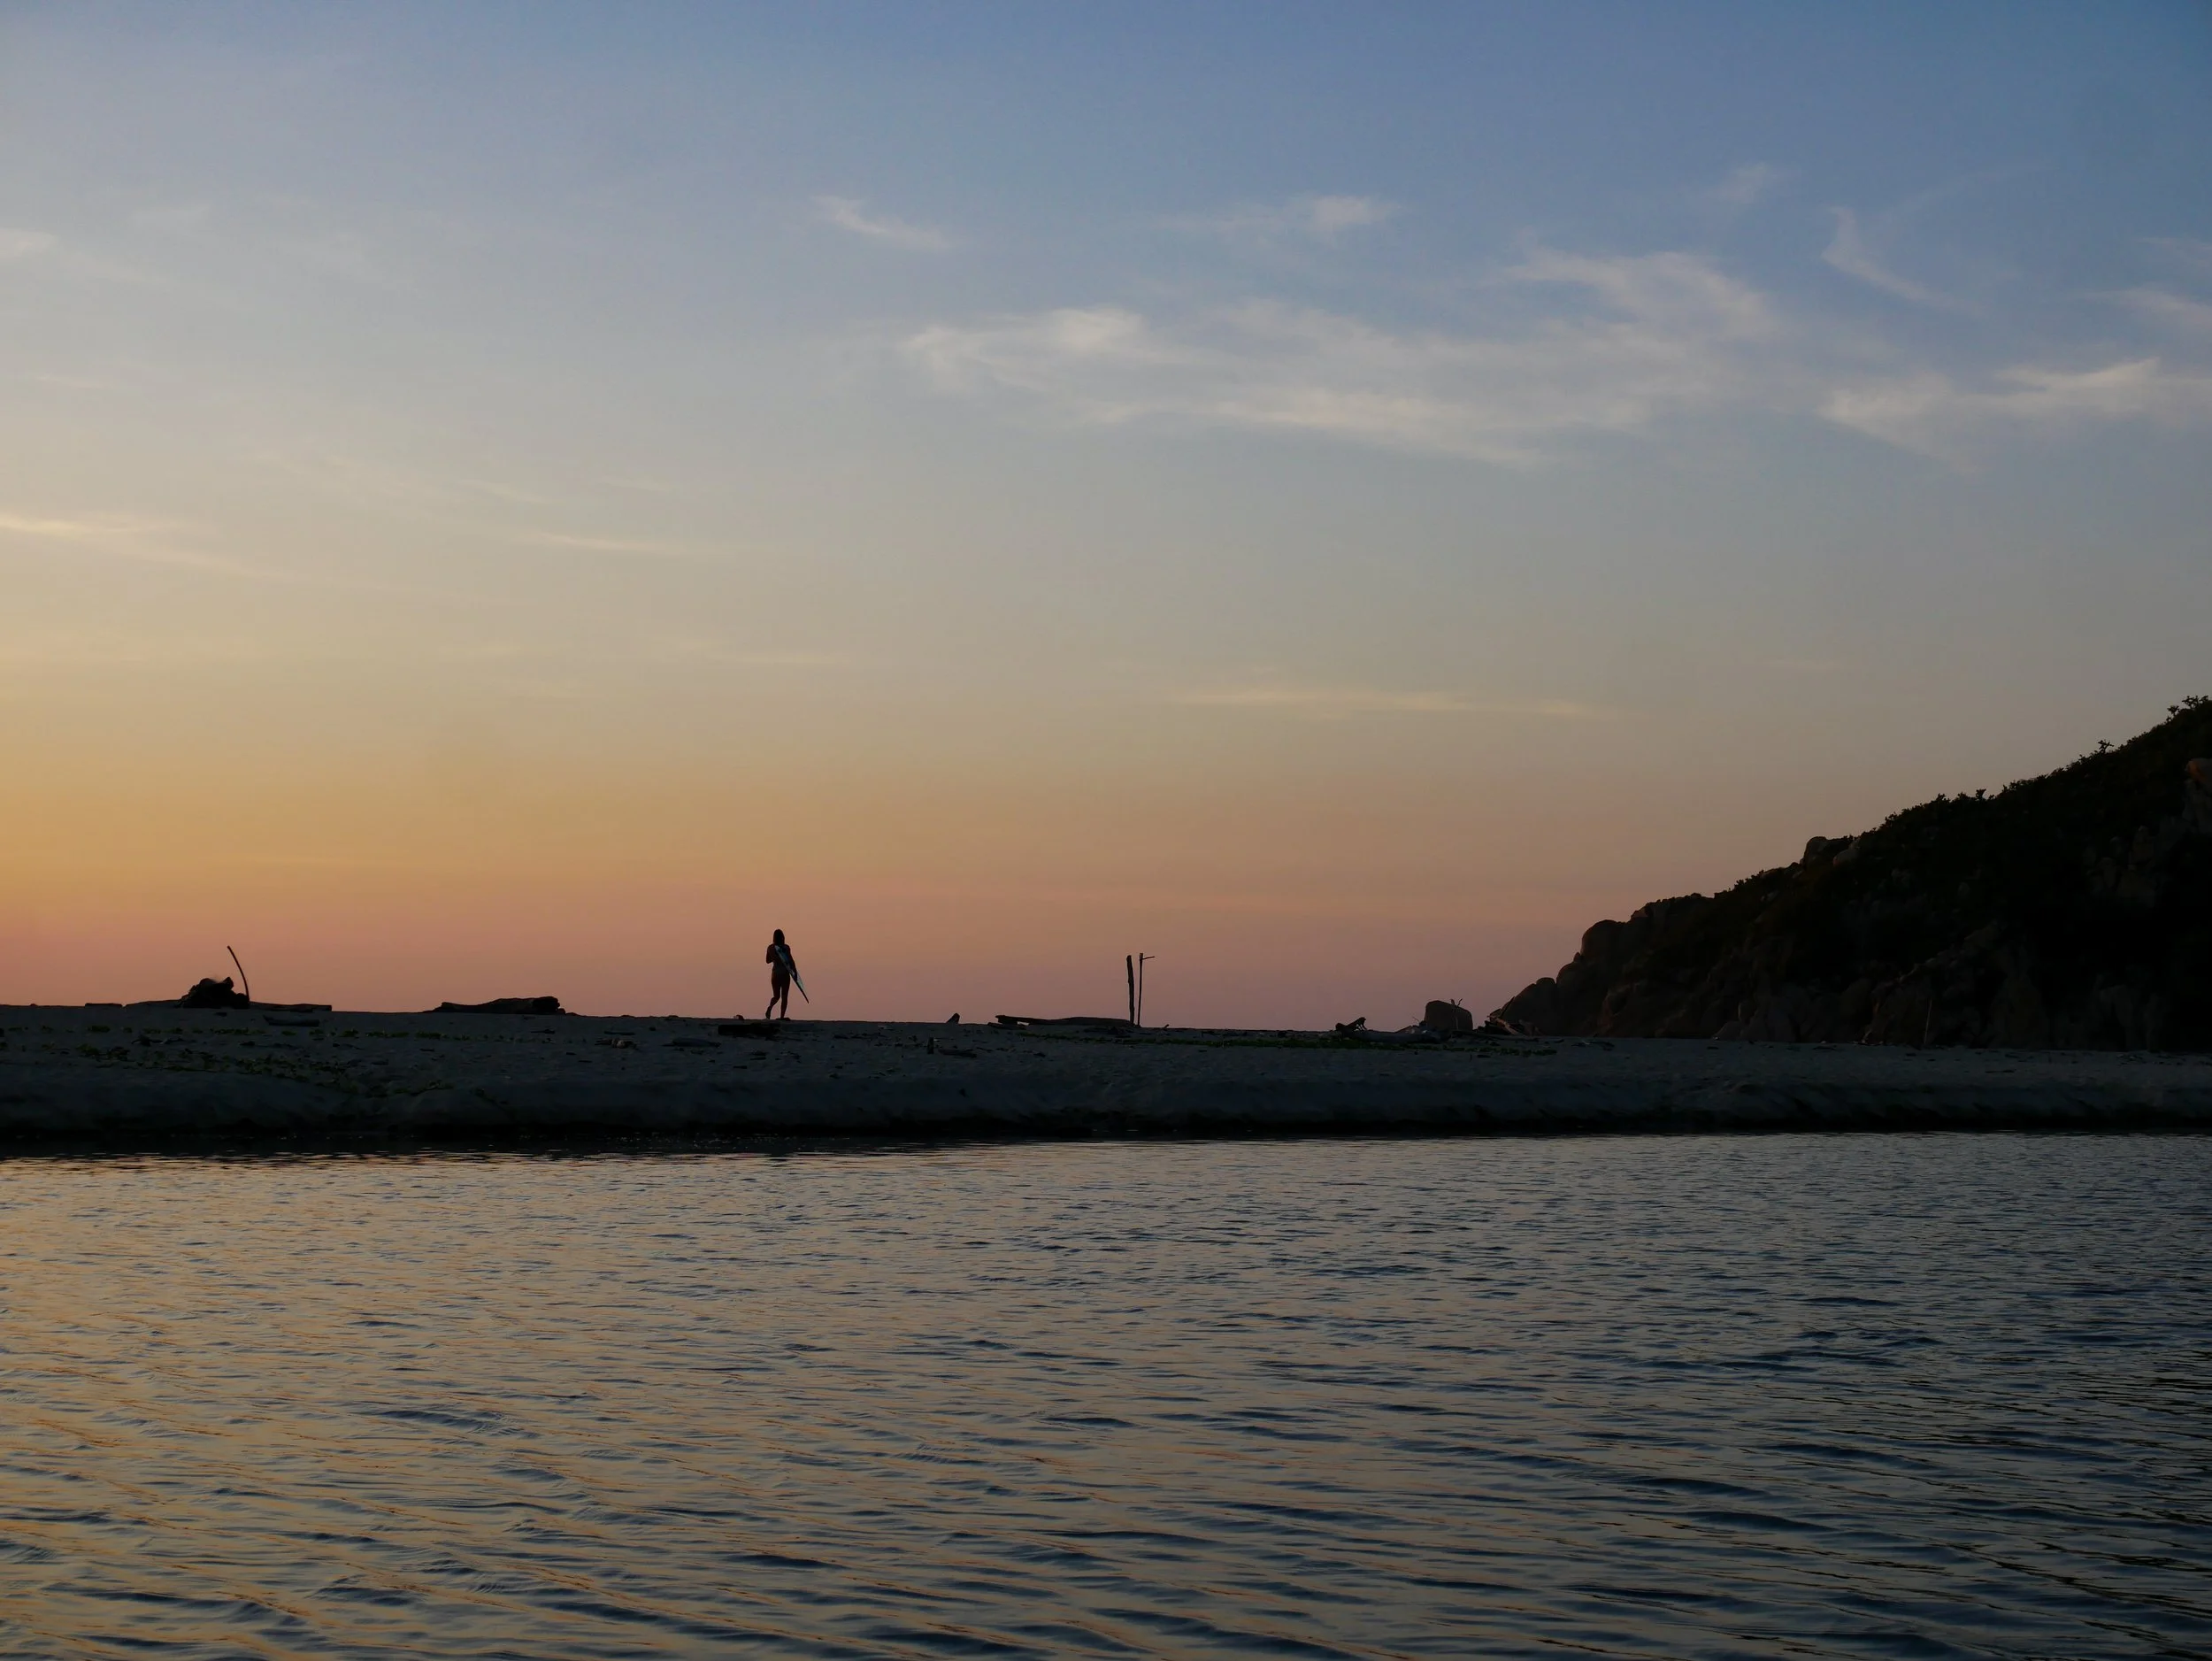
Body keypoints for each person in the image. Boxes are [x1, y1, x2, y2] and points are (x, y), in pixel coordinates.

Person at [764, 928, 798, 1020]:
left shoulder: (770, 948)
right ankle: (782, 1016)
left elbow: (767, 961)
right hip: (784, 974)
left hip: (775, 974)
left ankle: (770, 1007)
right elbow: (791, 961)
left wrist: (775, 957)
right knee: (784, 996)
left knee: (776, 996)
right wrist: (795, 972)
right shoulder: (786, 947)